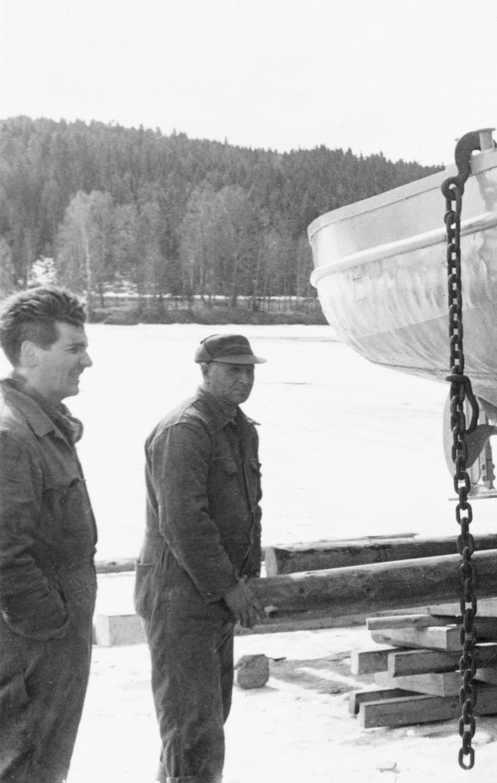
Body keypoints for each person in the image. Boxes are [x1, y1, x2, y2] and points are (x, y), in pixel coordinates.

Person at [136, 333, 267, 783]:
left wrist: (247, 576)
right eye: (234, 370)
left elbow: (250, 506)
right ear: (205, 370)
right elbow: (183, 522)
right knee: (192, 730)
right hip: (179, 597)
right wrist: (231, 587)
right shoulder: (185, 430)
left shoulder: (239, 428)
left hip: (214, 594)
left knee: (206, 721)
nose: (244, 379)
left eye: (249, 370)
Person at [0, 286, 97, 782]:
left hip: (48, 641)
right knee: (30, 768)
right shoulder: (12, 434)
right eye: (74, 349)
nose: (88, 361)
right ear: (31, 355)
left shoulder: (40, 423)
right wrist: (53, 624)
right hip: (35, 647)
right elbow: (3, 557)